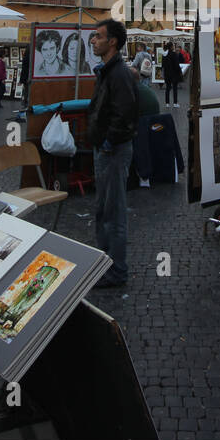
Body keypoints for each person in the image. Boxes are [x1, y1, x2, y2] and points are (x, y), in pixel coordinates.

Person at [86, 18, 139, 287]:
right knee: (103, 210)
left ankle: (116, 270)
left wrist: (107, 142)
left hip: (113, 152)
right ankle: (105, 264)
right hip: (106, 149)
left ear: (113, 42)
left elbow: (126, 114)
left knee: (113, 212)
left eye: (98, 36)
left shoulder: (118, 73)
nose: (93, 40)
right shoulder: (109, 71)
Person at [161, 42, 183, 107]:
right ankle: (175, 103)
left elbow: (163, 65)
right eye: (173, 46)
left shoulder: (164, 55)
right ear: (171, 47)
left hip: (167, 74)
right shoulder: (174, 54)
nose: (174, 47)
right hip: (174, 74)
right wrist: (180, 71)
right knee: (175, 88)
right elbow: (176, 65)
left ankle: (167, 103)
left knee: (167, 88)